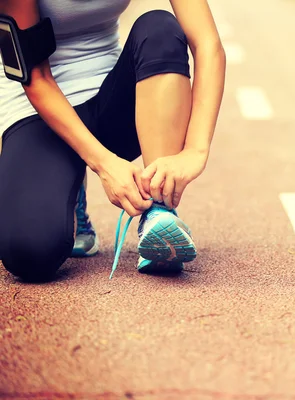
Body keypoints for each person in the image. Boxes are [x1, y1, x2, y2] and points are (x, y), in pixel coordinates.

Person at [0, 0, 226, 281]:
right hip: (39, 109)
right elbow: (37, 78)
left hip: (113, 97)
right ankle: (71, 196)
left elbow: (207, 44)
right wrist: (104, 164)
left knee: (160, 28)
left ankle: (159, 210)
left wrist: (196, 149)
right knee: (29, 253)